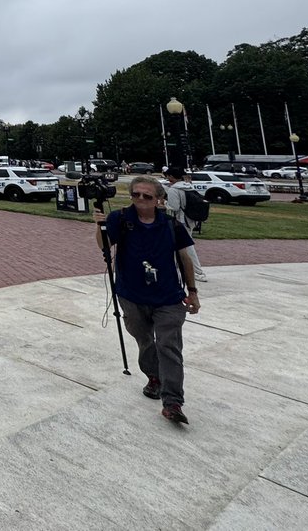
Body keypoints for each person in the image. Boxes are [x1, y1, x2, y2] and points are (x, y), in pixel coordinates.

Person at [94, 175, 200, 425]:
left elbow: (185, 259)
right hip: (131, 295)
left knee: (169, 346)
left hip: (168, 297)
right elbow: (104, 246)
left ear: (159, 200)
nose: (140, 199)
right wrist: (99, 226)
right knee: (144, 340)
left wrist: (193, 291)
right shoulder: (120, 218)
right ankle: (154, 376)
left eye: (147, 195)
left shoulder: (172, 225)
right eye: (136, 194)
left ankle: (172, 402)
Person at [163, 167, 209, 283]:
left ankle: (198, 272)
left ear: (171, 176)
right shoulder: (188, 186)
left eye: (168, 176)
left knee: (187, 246)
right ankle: (177, 268)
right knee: (179, 244)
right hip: (191, 219)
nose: (167, 178)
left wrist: (164, 203)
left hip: (182, 219)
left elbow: (174, 207)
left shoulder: (174, 189)